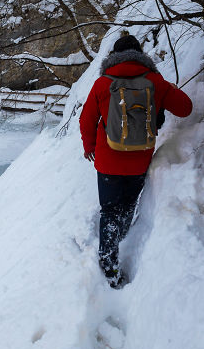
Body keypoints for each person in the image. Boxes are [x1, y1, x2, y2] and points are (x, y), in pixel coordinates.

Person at [79, 33, 193, 288]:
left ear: (112, 57)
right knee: (128, 204)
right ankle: (120, 237)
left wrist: (89, 147)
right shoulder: (154, 81)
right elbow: (185, 108)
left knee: (109, 210)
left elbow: (86, 120)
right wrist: (166, 90)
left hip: (108, 160)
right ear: (140, 55)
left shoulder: (102, 84)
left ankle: (109, 264)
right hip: (139, 159)